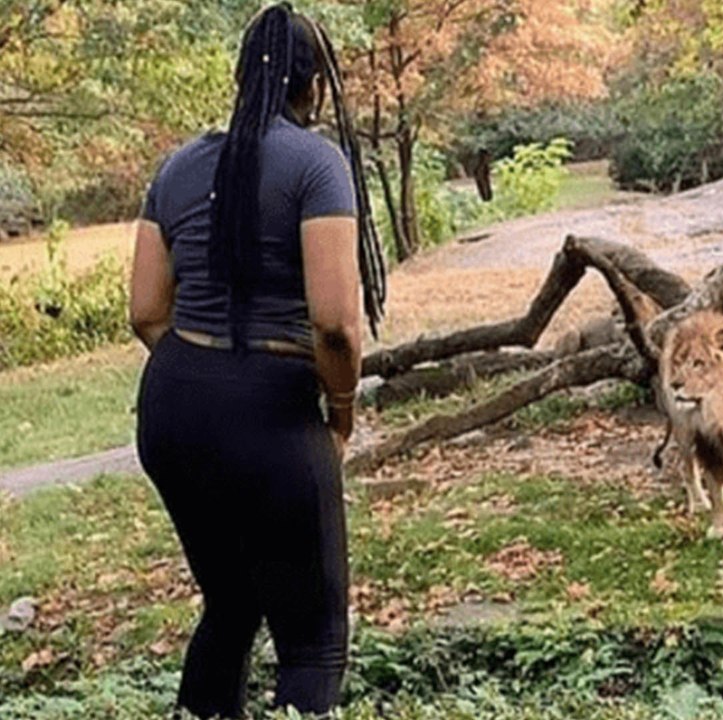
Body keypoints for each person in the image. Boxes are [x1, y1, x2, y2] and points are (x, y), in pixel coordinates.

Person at [127, 4, 386, 717]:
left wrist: (204, 373)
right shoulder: (316, 164)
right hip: (270, 413)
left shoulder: (177, 165)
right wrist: (339, 415)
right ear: (314, 89)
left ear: (241, 77)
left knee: (232, 602)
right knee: (314, 640)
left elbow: (146, 310)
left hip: (172, 407)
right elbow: (335, 325)